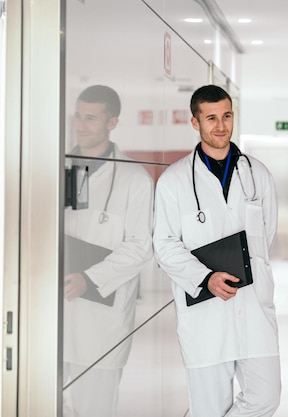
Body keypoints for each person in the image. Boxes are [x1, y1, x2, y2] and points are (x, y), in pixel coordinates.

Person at [152, 85, 281, 417]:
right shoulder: (174, 181)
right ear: (195, 122)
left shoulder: (258, 175)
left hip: (253, 308)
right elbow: (164, 245)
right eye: (211, 118)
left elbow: (267, 236)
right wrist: (205, 277)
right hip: (205, 313)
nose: (220, 126)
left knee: (266, 397)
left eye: (226, 116)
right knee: (208, 407)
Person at [63, 85, 154, 417]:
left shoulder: (134, 179)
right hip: (54, 313)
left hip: (100, 318)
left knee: (94, 408)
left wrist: (90, 278)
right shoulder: (61, 169)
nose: (81, 125)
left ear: (112, 123)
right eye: (78, 115)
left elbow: (141, 246)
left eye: (91, 118)